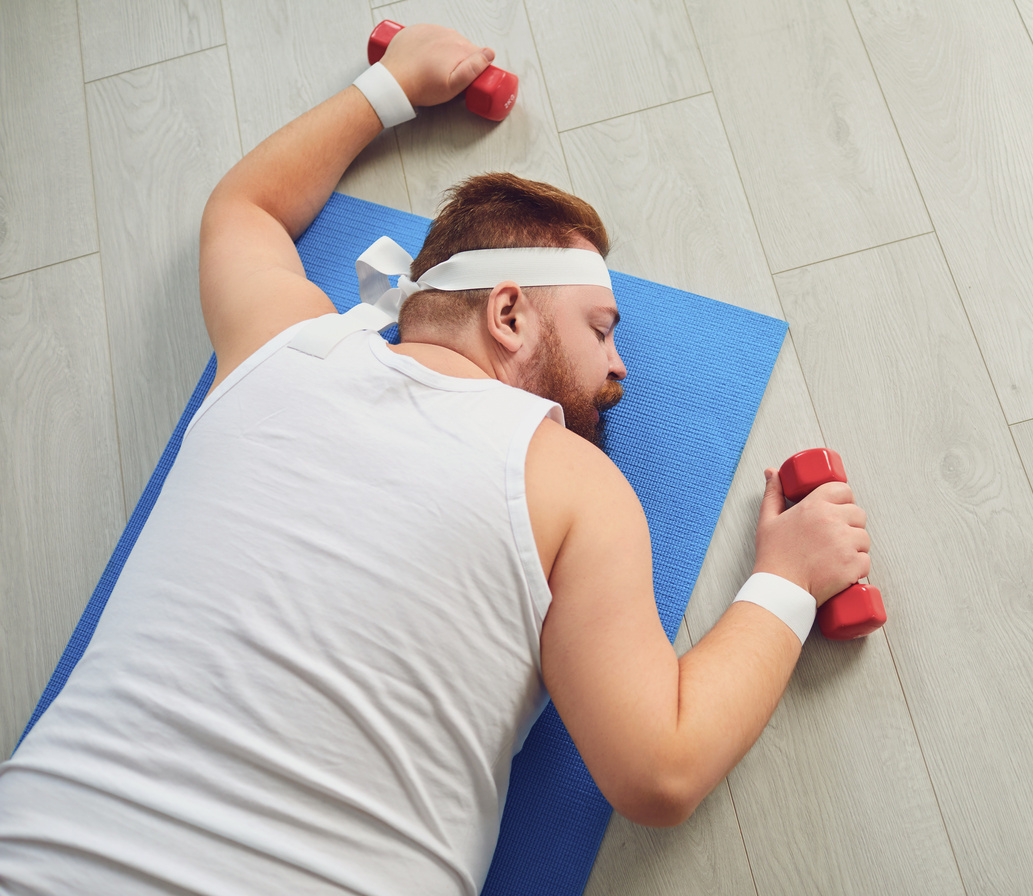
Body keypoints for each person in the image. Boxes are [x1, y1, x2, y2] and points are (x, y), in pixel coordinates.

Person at [0, 23, 871, 896]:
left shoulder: (280, 345)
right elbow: (659, 770)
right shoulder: (571, 483)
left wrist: (391, 87)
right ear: (508, 313)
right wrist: (788, 580)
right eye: (601, 329)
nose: (621, 369)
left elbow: (244, 209)